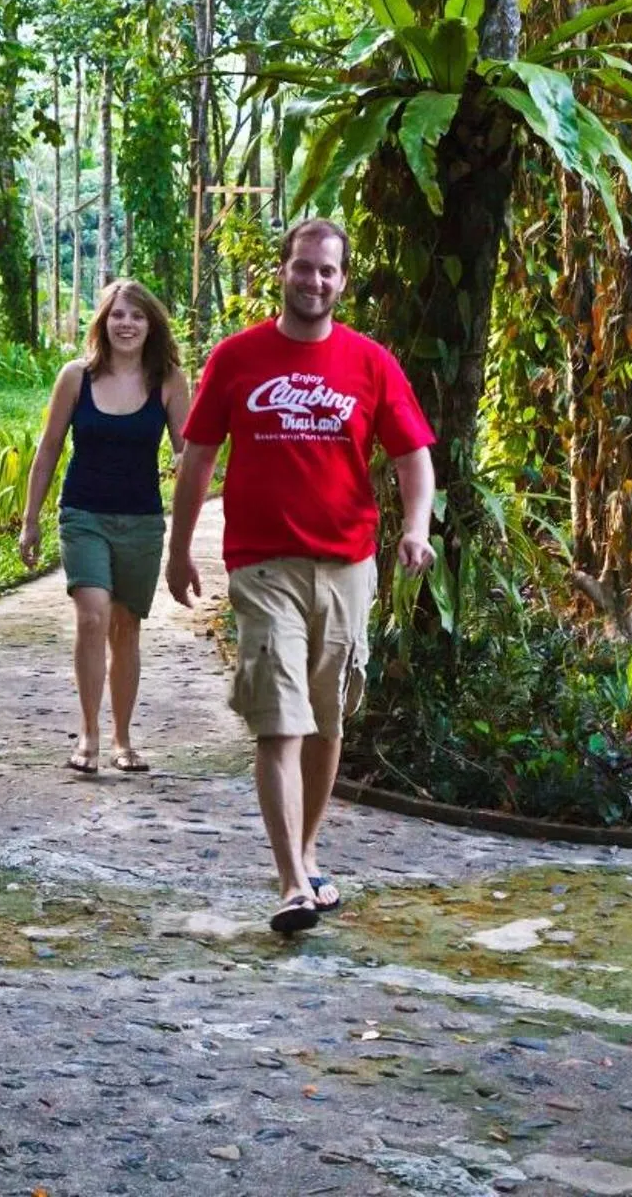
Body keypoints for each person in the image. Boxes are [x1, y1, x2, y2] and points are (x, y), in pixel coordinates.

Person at [166, 218, 435, 935]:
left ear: (343, 281)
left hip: (348, 567)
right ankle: (289, 882)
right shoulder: (238, 357)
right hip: (263, 564)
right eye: (303, 267)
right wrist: (180, 546)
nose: (314, 280)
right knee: (278, 722)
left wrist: (416, 528)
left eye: (328, 271)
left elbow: (413, 457)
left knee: (325, 722)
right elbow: (197, 458)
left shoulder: (370, 363)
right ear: (281, 271)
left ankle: (309, 853)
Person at [21, 279, 191, 775]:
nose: (126, 324)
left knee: (126, 628)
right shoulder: (76, 377)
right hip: (84, 514)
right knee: (92, 615)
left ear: (151, 325)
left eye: (137, 316)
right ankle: (89, 733)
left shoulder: (169, 380)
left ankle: (122, 738)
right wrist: (30, 521)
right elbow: (49, 448)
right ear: (103, 321)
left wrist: (190, 471)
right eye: (117, 315)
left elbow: (189, 452)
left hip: (141, 519)